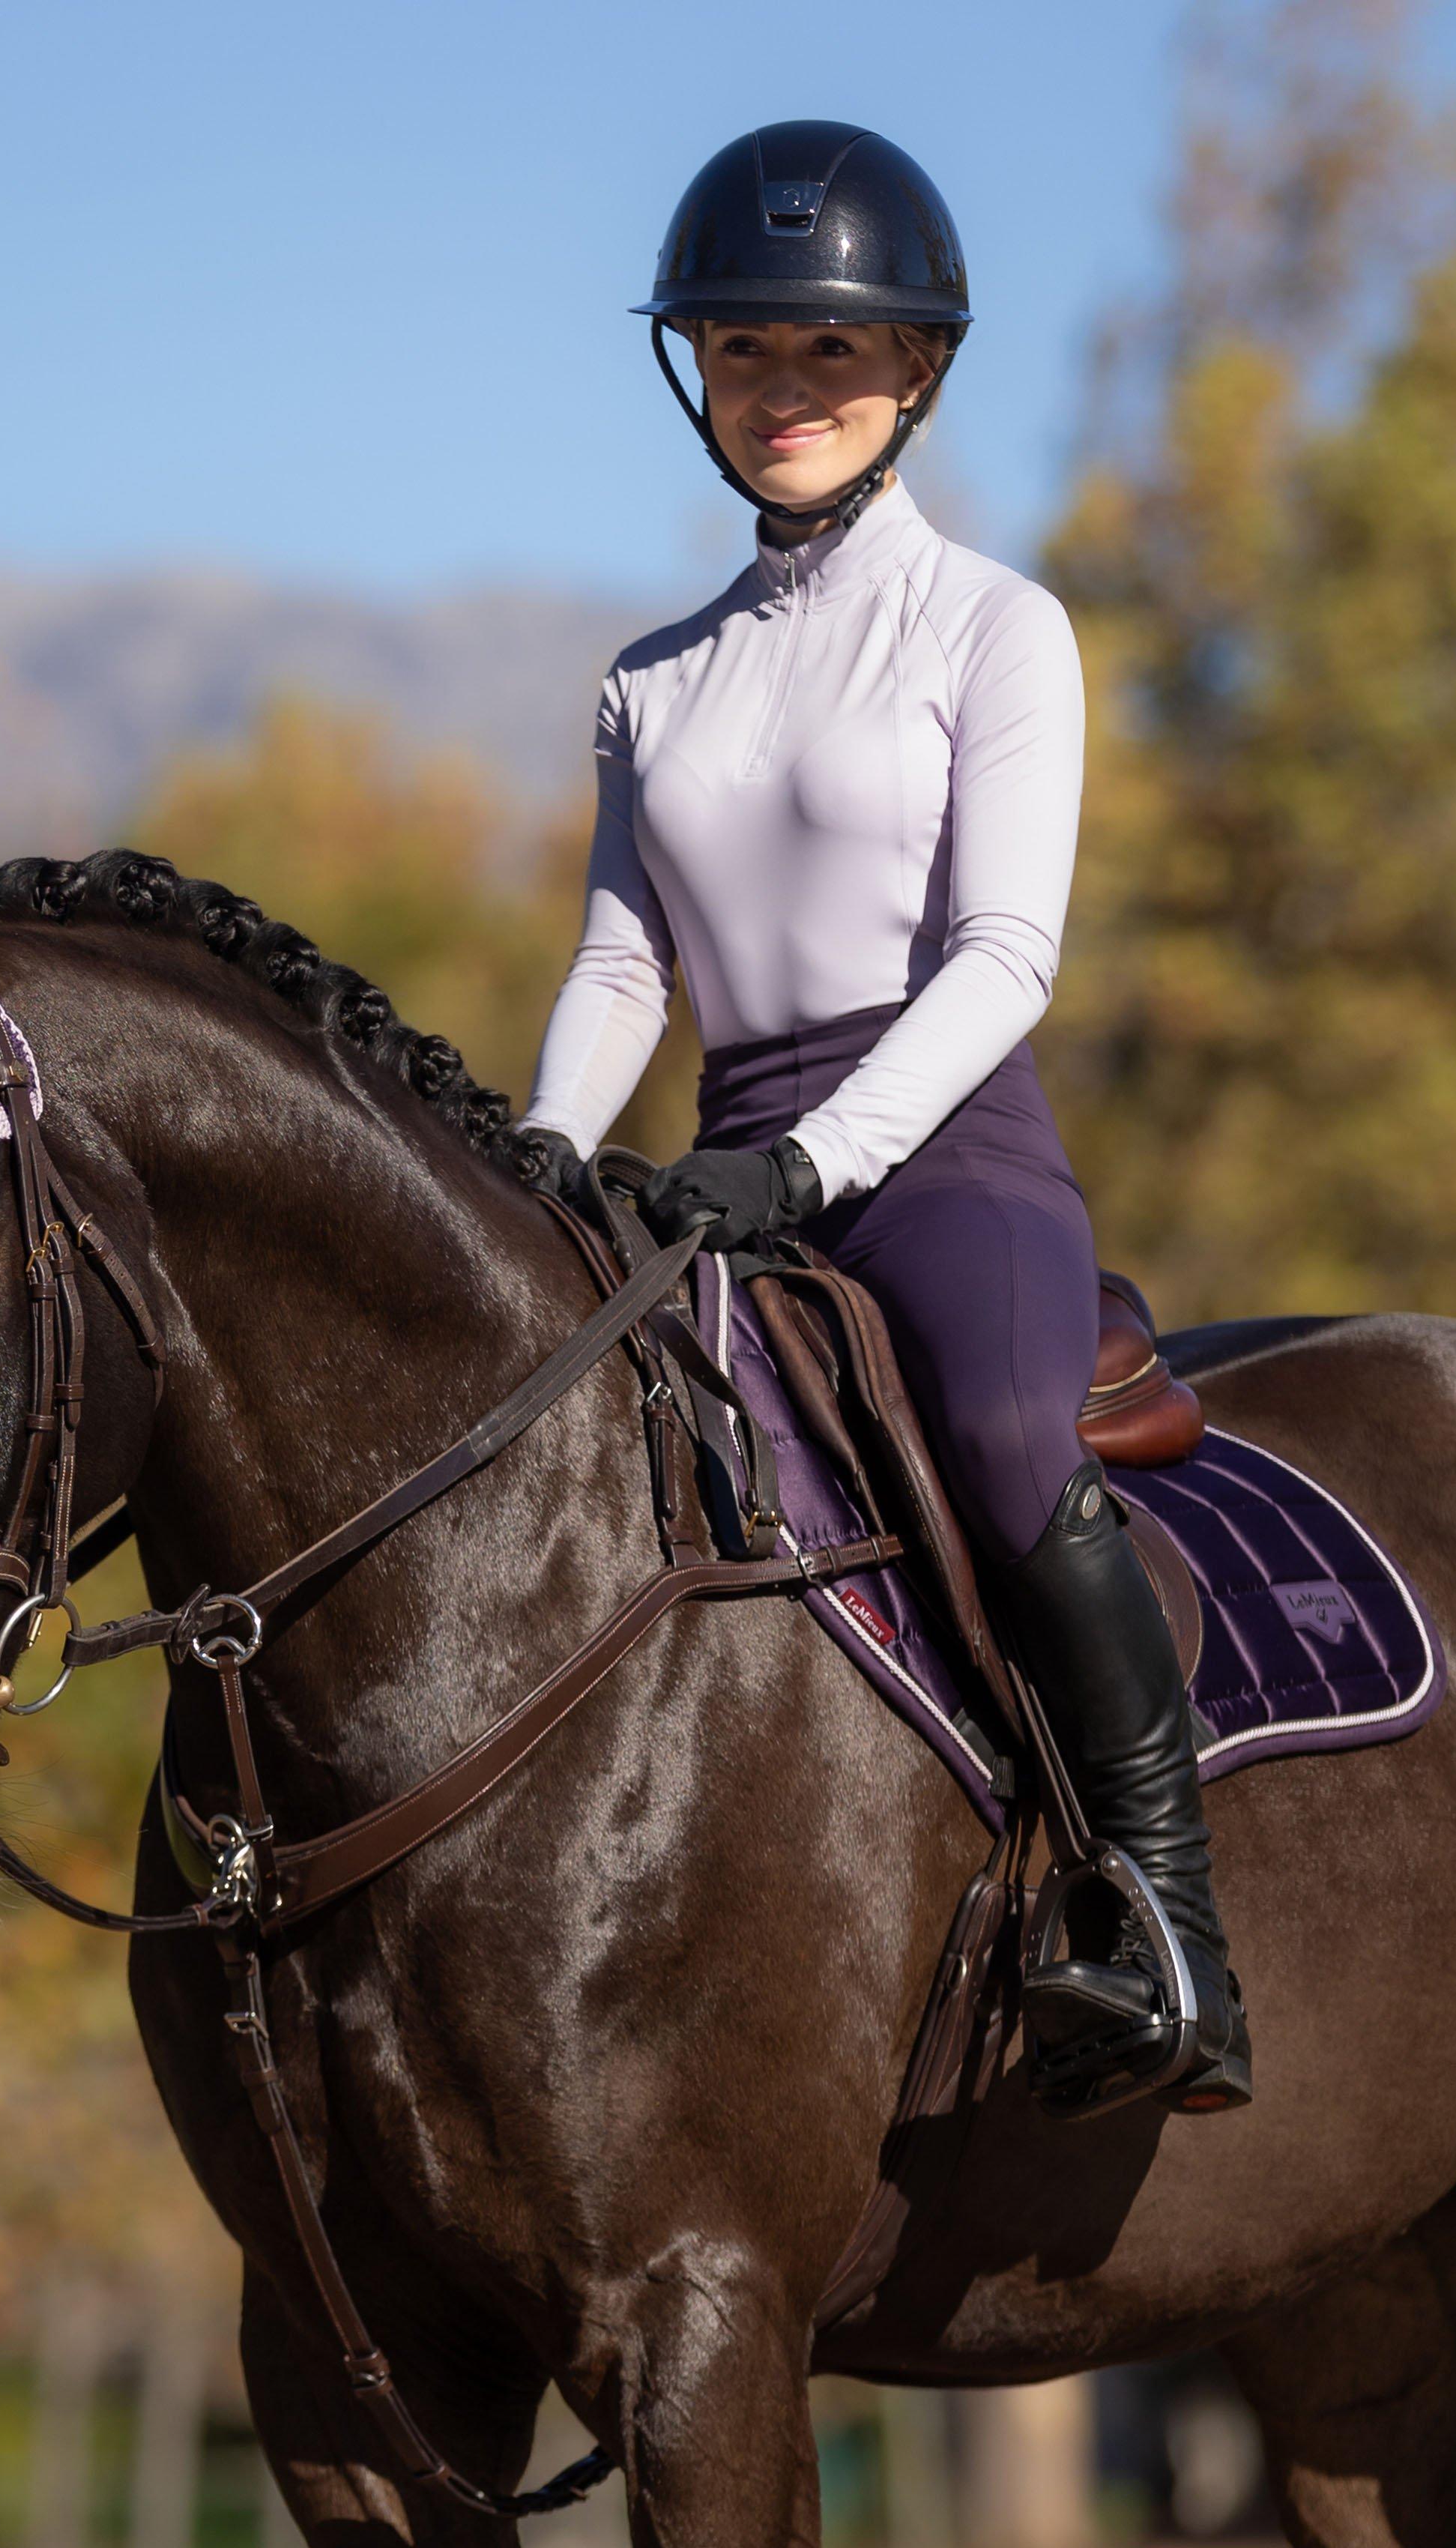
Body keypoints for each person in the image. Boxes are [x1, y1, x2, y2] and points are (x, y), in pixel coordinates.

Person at [522, 122, 1248, 2116]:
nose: (786, 392)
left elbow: (1007, 953)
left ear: (916, 370)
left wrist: (820, 1160)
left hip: (939, 1151)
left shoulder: (996, 628)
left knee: (1013, 1443)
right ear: (698, 374)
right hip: (723, 1153)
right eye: (745, 351)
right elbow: (619, 969)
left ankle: (1174, 1923)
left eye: (830, 354)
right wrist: (538, 1161)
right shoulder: (647, 684)